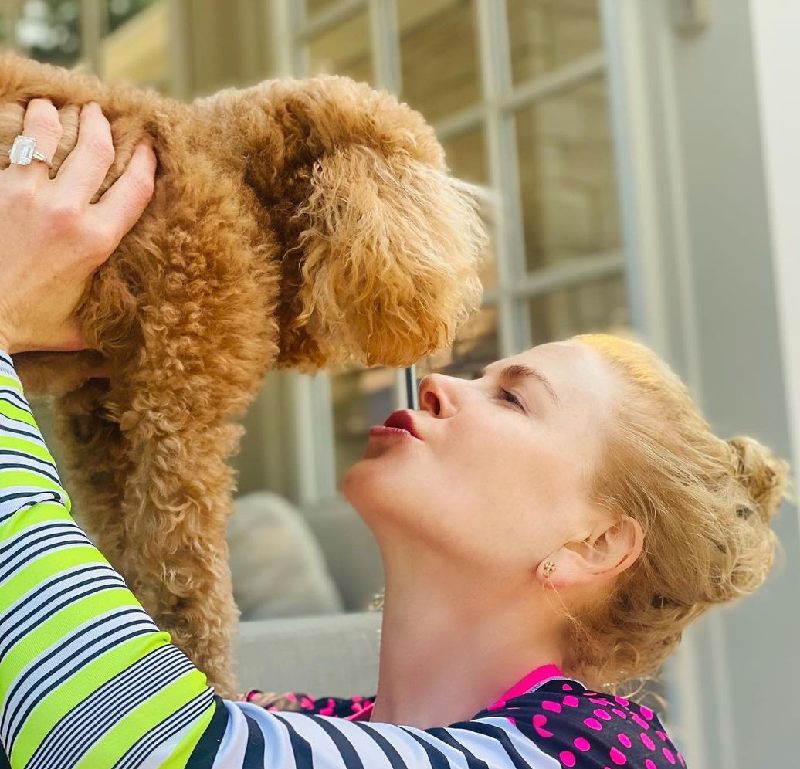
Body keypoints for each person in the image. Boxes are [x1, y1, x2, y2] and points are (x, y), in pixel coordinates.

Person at [0, 99, 789, 769]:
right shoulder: (302, 716)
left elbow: (128, 742)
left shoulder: (588, 750)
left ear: (595, 543)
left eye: (513, 399)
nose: (444, 382)